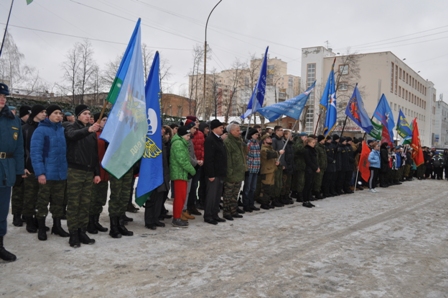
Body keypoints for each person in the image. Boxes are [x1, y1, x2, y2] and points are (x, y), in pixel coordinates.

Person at [30, 105, 69, 241]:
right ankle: (41, 227)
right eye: (55, 113)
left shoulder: (62, 130)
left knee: (58, 202)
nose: (59, 115)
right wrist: (40, 173)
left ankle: (57, 226)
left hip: (60, 174)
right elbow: (36, 153)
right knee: (42, 202)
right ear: (48, 115)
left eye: (60, 113)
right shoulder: (40, 131)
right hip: (46, 174)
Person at [65, 105, 100, 248]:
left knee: (85, 203)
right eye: (84, 113)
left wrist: (96, 172)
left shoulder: (91, 133)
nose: (87, 116)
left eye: (89, 113)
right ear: (78, 116)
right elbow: (72, 136)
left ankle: (82, 230)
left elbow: (94, 154)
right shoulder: (70, 127)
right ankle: (73, 233)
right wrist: (88, 129)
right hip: (75, 171)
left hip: (88, 172)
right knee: (74, 203)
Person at [0, 83, 24, 262]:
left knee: (1, 211)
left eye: (4, 97)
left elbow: (19, 148)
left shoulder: (12, 119)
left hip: (6, 169)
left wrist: (17, 171)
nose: (2, 99)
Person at [21, 105, 47, 233]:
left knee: (41, 195)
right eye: (42, 112)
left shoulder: (45, 128)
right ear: (35, 113)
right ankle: (29, 219)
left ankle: (38, 218)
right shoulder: (25, 128)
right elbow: (21, 149)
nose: (44, 114)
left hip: (43, 167)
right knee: (30, 195)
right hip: (30, 167)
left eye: (45, 112)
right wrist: (23, 166)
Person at [87, 113, 109, 235]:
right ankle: (89, 222)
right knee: (93, 198)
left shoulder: (107, 135)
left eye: (106, 120)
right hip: (96, 171)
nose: (105, 122)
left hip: (105, 172)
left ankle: (96, 220)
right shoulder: (93, 135)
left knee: (101, 198)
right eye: (103, 120)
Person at [170, 126, 196, 228]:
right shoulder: (178, 144)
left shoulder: (181, 143)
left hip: (182, 173)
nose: (189, 138)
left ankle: (178, 216)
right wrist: (193, 170)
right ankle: (176, 218)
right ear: (182, 135)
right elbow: (183, 160)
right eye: (188, 135)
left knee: (182, 197)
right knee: (179, 197)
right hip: (179, 173)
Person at [145, 126, 170, 230]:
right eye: (160, 129)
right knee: (152, 199)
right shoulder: (150, 141)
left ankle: (156, 218)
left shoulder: (162, 142)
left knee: (159, 197)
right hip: (153, 175)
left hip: (162, 174)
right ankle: (149, 220)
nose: (163, 131)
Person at [203, 119, 227, 225]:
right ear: (214, 129)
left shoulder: (218, 139)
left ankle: (215, 214)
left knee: (217, 195)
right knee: (211, 196)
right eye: (220, 127)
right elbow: (209, 159)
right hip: (213, 173)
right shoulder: (210, 140)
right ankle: (208, 215)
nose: (222, 129)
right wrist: (211, 174)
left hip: (220, 172)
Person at [222, 123, 246, 221]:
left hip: (239, 171)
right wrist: (229, 171)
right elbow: (228, 159)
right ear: (231, 131)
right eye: (237, 130)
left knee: (235, 193)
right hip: (231, 172)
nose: (239, 132)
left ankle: (233, 210)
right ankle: (226, 212)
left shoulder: (238, 141)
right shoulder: (228, 142)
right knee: (228, 193)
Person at [259, 134, 280, 210]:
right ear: (264, 140)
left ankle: (267, 202)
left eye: (270, 138)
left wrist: (276, 162)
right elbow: (268, 155)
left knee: (271, 188)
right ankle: (264, 203)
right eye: (268, 138)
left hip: (272, 170)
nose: (270, 139)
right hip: (266, 171)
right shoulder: (263, 149)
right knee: (266, 188)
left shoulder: (271, 148)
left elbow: (273, 158)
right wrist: (278, 153)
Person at [242, 128, 261, 212]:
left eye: (257, 134)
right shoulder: (249, 143)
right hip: (250, 168)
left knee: (253, 188)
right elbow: (246, 155)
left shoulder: (257, 143)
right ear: (251, 135)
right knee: (247, 188)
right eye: (255, 134)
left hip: (256, 168)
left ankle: (251, 203)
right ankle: (246, 205)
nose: (257, 136)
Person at [303, 137, 319, 208]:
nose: (314, 144)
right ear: (308, 143)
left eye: (315, 143)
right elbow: (308, 161)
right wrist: (315, 167)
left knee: (310, 185)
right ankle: (305, 200)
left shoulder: (313, 150)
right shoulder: (306, 150)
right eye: (313, 143)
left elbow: (315, 159)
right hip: (308, 169)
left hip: (313, 169)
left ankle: (308, 199)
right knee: (307, 185)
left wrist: (317, 166)